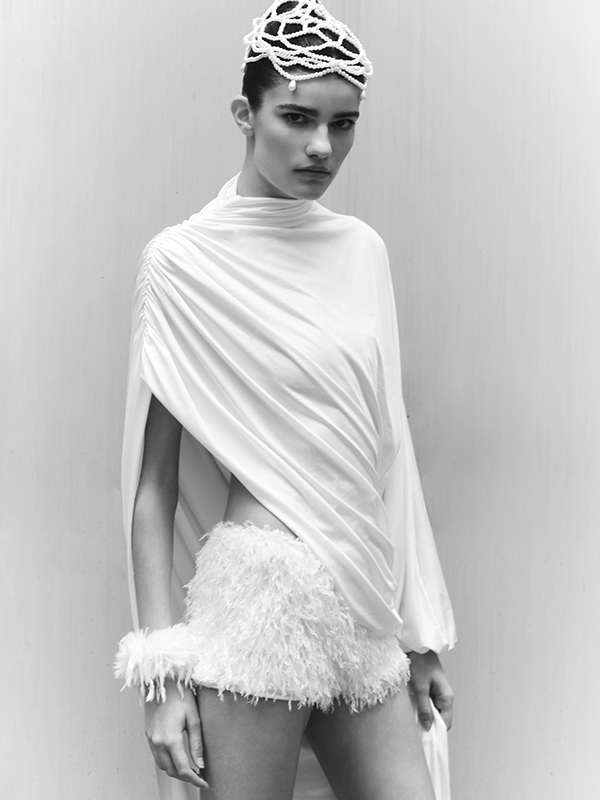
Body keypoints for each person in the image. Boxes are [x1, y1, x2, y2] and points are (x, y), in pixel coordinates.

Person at [115, 2, 457, 798]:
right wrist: (161, 679)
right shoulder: (182, 263)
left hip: (362, 595)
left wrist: (420, 637)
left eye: (343, 124)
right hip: (262, 595)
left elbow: (389, 446)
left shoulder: (361, 251)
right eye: (297, 118)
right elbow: (152, 489)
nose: (321, 147)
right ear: (246, 114)